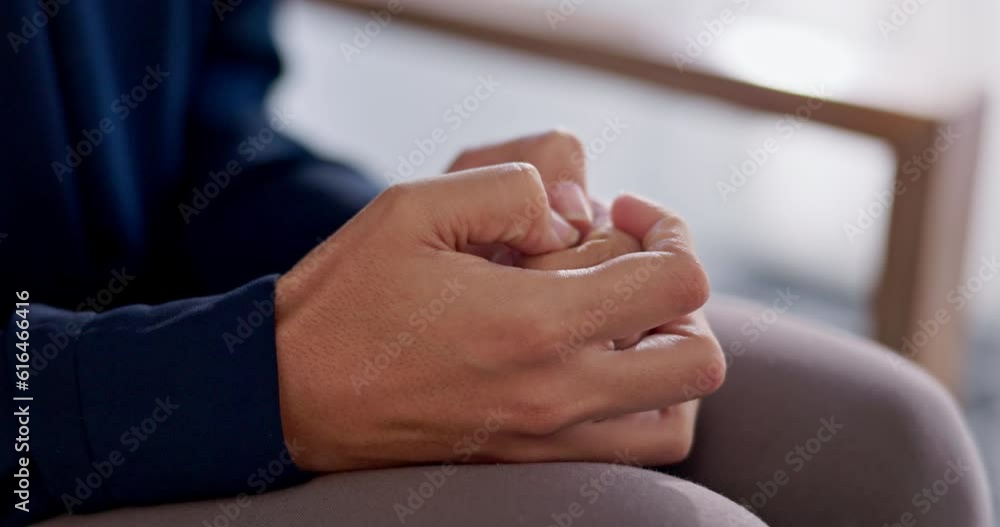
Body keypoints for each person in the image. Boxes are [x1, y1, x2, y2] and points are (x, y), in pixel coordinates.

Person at [1, 1, 992, 526]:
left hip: (159, 327)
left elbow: (200, 144)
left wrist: (446, 263)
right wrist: (263, 378)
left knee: (889, 438)